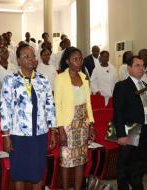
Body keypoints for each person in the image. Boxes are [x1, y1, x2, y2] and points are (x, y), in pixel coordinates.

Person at [0, 43, 56, 190]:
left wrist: (53, 130)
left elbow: (50, 105)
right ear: (18, 60)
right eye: (26, 56)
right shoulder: (10, 80)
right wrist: (6, 136)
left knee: (38, 171)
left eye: (32, 56)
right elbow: (5, 108)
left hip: (40, 134)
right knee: (19, 171)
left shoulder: (43, 80)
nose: (30, 59)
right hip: (18, 134)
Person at [113, 55, 147, 190]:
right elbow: (118, 112)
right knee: (124, 166)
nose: (141, 68)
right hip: (130, 130)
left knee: (139, 165)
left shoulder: (146, 87)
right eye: (137, 65)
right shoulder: (122, 86)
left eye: (143, 66)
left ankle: (138, 186)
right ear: (129, 69)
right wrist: (121, 134)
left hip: (145, 130)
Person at [54, 47, 95, 190]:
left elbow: (88, 103)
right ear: (67, 61)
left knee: (80, 160)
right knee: (66, 161)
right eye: (75, 59)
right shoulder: (60, 78)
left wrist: (91, 124)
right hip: (68, 125)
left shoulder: (84, 77)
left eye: (80, 59)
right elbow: (57, 105)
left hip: (83, 123)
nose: (79, 62)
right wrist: (61, 129)